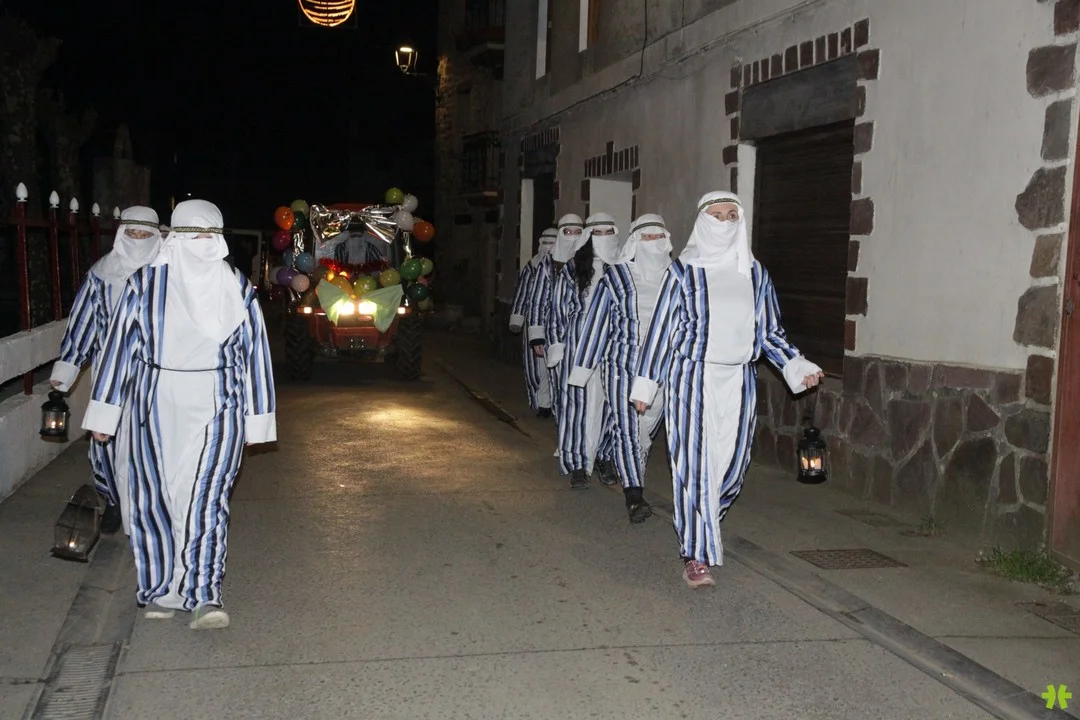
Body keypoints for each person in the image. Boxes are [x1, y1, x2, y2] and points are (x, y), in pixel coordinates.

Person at [81, 199, 277, 629]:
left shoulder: (237, 288)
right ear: (176, 238)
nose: (202, 244)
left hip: (219, 405)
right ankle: (161, 589)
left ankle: (204, 595)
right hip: (153, 404)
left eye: (210, 235)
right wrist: (104, 414)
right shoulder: (143, 284)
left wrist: (258, 418)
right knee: (154, 499)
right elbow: (118, 349)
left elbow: (256, 353)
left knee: (205, 500)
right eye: (193, 235)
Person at [630, 192, 823, 589]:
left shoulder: (754, 273)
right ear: (702, 221)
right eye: (716, 215)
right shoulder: (683, 272)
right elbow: (661, 331)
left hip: (739, 379)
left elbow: (769, 331)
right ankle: (695, 555)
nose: (724, 221)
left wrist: (796, 364)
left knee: (732, 469)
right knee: (695, 466)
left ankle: (700, 520)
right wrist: (646, 384)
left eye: (731, 215)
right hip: (691, 377)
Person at [50, 206, 163, 535]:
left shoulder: (167, 274)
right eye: (132, 233)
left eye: (145, 234)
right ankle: (114, 500)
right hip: (110, 375)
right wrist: (68, 366)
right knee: (107, 440)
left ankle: (149, 506)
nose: (138, 240)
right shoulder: (101, 274)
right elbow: (84, 322)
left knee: (151, 441)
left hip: (156, 374)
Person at [569, 214, 674, 523]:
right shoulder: (616, 276)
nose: (652, 243)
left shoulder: (678, 276)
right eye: (646, 236)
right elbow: (596, 324)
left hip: (663, 370)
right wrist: (583, 367)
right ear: (635, 242)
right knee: (627, 428)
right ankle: (634, 494)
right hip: (621, 366)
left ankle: (625, 466)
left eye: (658, 236)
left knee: (644, 430)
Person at [549, 213, 620, 489]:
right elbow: (558, 309)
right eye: (596, 233)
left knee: (611, 405)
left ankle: (603, 454)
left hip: (613, 346)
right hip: (578, 346)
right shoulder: (573, 268)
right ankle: (578, 463)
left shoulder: (623, 268)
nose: (602, 238)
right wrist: (557, 343)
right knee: (576, 404)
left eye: (607, 232)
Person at [527, 214, 584, 426]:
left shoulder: (589, 261)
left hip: (582, 334)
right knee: (559, 383)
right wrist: (537, 335)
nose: (572, 237)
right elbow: (538, 299)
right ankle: (564, 427)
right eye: (567, 232)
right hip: (554, 333)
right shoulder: (549, 264)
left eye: (577, 232)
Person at [509, 227, 557, 418]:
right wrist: (517, 318)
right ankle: (541, 402)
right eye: (545, 243)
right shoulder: (532, 266)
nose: (548, 247)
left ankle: (553, 403)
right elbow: (522, 294)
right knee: (536, 367)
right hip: (535, 322)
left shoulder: (562, 265)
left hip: (556, 325)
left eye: (552, 243)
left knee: (552, 366)